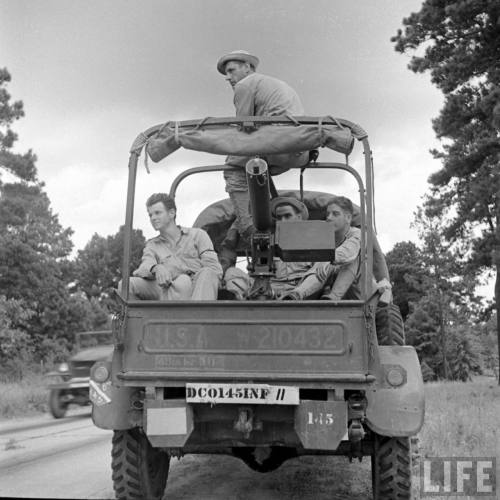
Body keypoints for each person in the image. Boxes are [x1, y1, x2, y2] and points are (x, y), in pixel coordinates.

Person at [216, 50, 305, 244]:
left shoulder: (244, 85)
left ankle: (249, 231)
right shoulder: (276, 84)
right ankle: (255, 217)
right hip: (299, 147)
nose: (229, 78)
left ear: (247, 67)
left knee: (232, 168)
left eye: (232, 71)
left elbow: (243, 127)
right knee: (255, 173)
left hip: (276, 141)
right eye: (227, 74)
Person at [121, 193, 222, 300]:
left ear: (171, 213)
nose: (153, 218)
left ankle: (196, 314)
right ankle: (140, 316)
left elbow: (214, 269)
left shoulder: (198, 235)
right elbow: (144, 267)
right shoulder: (152, 245)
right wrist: (156, 268)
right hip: (167, 288)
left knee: (202, 275)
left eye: (157, 213)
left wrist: (180, 273)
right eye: (150, 215)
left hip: (196, 287)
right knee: (126, 284)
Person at [223, 196, 314, 299]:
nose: (282, 221)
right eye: (279, 218)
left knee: (325, 266)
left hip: (301, 290)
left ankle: (294, 296)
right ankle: (237, 300)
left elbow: (319, 273)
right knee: (232, 272)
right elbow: (258, 274)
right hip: (269, 291)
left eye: (287, 216)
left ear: (299, 217)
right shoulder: (268, 242)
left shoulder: (314, 243)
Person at [282, 196, 361, 301]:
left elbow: (348, 252)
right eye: (327, 214)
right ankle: (296, 294)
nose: (329, 218)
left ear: (348, 218)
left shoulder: (358, 234)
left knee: (352, 259)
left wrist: (327, 260)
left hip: (356, 291)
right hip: (322, 286)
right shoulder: (322, 236)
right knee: (323, 261)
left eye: (335, 214)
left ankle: (333, 298)